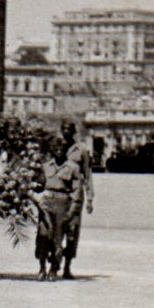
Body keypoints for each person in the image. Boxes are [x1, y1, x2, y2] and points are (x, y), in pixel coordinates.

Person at [33, 134, 85, 281]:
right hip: (46, 203)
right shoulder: (45, 166)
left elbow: (77, 191)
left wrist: (72, 211)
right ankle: (42, 267)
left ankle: (54, 269)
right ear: (52, 150)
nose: (59, 151)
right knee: (43, 235)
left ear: (66, 150)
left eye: (62, 148)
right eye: (56, 148)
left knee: (58, 238)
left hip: (63, 204)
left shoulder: (73, 168)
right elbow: (37, 186)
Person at [60, 120, 95, 279]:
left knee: (72, 231)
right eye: (63, 129)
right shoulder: (57, 147)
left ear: (74, 132)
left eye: (69, 129)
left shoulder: (81, 150)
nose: (66, 132)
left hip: (75, 196)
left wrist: (90, 198)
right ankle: (54, 263)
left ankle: (67, 266)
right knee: (55, 230)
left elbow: (87, 174)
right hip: (58, 193)